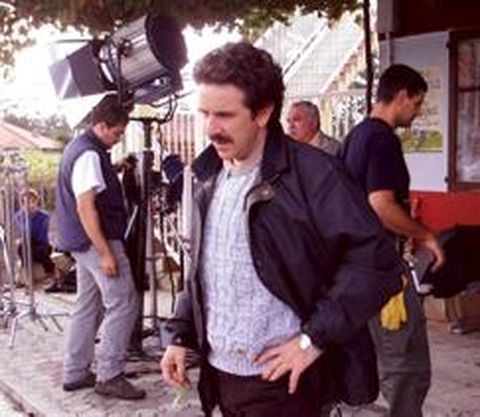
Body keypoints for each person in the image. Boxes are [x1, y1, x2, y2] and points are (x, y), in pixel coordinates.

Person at [160, 42, 403, 417]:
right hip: (221, 378)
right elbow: (205, 269)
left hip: (284, 384)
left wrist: (313, 339)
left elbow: (376, 262)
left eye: (224, 115)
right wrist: (181, 334)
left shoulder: (317, 175)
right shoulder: (206, 177)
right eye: (205, 113)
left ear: (263, 112)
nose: (210, 128)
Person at [341, 64, 445, 417]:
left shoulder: (355, 137)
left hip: (356, 270)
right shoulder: (382, 138)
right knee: (406, 369)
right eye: (416, 103)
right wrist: (426, 234)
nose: (417, 113)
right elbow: (382, 205)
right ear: (401, 96)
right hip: (380, 273)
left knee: (380, 362)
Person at [55, 94, 145, 400]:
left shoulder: (80, 148)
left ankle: (75, 371)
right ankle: (110, 374)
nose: (117, 139)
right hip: (98, 241)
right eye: (116, 133)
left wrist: (116, 167)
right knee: (123, 302)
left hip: (80, 243)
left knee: (88, 304)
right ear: (102, 126)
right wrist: (106, 253)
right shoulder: (89, 156)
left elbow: (89, 185)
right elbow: (85, 207)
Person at [14, 188, 56, 278]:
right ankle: (27, 274)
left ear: (37, 201)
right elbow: (17, 234)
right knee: (22, 248)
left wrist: (28, 219)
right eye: (25, 203)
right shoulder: (18, 217)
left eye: (32, 202)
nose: (29, 205)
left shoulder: (44, 216)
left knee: (38, 250)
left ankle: (51, 271)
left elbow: (41, 236)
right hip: (26, 245)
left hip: (40, 245)